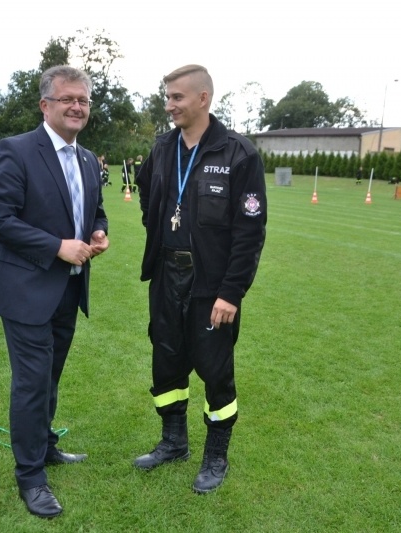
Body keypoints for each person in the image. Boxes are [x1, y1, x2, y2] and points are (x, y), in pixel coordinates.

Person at [0, 65, 110, 519]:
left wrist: (98, 232)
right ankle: (31, 477)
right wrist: (58, 246)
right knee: (33, 382)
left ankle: (46, 444)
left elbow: (96, 209)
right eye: (68, 99)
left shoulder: (88, 158)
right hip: (25, 290)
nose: (77, 107)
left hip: (68, 291)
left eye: (84, 100)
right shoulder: (17, 152)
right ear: (45, 105)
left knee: (50, 377)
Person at [133, 64, 267, 494]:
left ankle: (215, 456)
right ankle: (174, 442)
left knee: (215, 369)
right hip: (167, 275)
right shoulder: (161, 149)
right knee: (166, 360)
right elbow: (147, 202)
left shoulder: (237, 153)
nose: (168, 105)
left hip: (212, 285)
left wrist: (231, 292)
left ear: (203, 98)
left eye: (177, 97)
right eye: (167, 97)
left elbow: (250, 232)